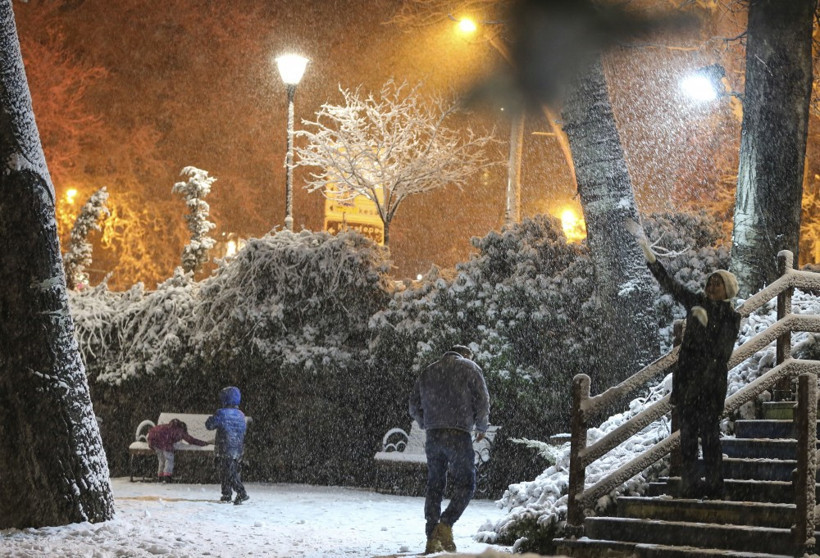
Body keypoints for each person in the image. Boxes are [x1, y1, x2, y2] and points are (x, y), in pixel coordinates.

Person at [639, 237, 741, 499]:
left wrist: (705, 325)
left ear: (728, 290)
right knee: (687, 439)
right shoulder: (696, 302)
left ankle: (715, 487)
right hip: (687, 384)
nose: (711, 286)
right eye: (710, 282)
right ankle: (690, 485)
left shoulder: (731, 317)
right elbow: (672, 286)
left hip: (710, 386)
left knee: (710, 438)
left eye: (717, 283)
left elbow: (721, 353)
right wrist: (652, 260)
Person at [409, 344, 491, 554]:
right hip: (458, 434)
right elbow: (483, 400)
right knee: (467, 484)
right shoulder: (470, 367)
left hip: (434, 435)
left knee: (435, 484)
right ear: (466, 355)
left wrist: (426, 422)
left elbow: (413, 405)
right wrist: (481, 426)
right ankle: (445, 524)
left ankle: (431, 535)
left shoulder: (428, 371)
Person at [206, 386, 249, 505]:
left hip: (225, 446)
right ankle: (226, 494)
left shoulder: (221, 413)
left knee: (227, 472)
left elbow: (209, 425)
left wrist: (211, 418)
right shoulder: (240, 414)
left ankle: (240, 492)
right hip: (237, 447)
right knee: (230, 470)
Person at [146, 418, 208, 482]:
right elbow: (191, 440)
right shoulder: (180, 430)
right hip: (164, 441)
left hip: (153, 440)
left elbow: (154, 432)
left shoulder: (168, 426)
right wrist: (204, 443)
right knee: (169, 458)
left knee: (162, 459)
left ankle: (160, 475)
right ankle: (167, 476)